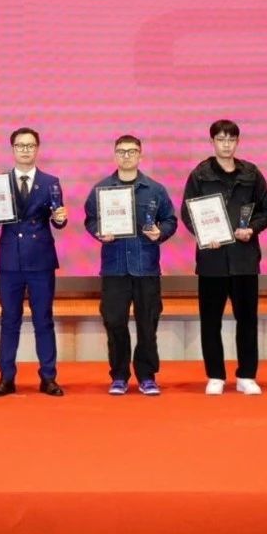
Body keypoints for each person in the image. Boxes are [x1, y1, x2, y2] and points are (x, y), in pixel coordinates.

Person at [180, 119, 267, 395]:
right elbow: (187, 211)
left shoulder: (252, 174)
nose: (226, 144)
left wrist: (252, 229)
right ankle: (215, 376)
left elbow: (266, 209)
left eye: (231, 139)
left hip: (245, 259)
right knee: (211, 321)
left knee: (247, 320)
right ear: (212, 142)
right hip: (212, 260)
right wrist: (202, 233)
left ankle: (247, 375)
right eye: (221, 139)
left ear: (237, 142)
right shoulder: (200, 175)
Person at [0, 127, 69, 397]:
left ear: (37, 148)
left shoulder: (50, 181)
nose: (25, 150)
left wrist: (61, 218)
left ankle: (48, 377)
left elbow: (58, 220)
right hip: (9, 262)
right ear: (13, 149)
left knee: (44, 320)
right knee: (9, 320)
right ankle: (6, 377)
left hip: (41, 261)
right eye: (20, 145)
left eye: (30, 145)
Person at [84, 135, 177, 396]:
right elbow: (90, 219)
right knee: (114, 322)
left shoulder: (155, 189)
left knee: (148, 324)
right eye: (121, 151)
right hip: (114, 268)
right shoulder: (102, 189)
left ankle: (147, 376)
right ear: (115, 155)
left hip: (146, 267)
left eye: (132, 151)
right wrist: (98, 232)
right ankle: (119, 376)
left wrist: (160, 232)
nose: (126, 156)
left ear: (140, 155)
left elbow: (170, 220)